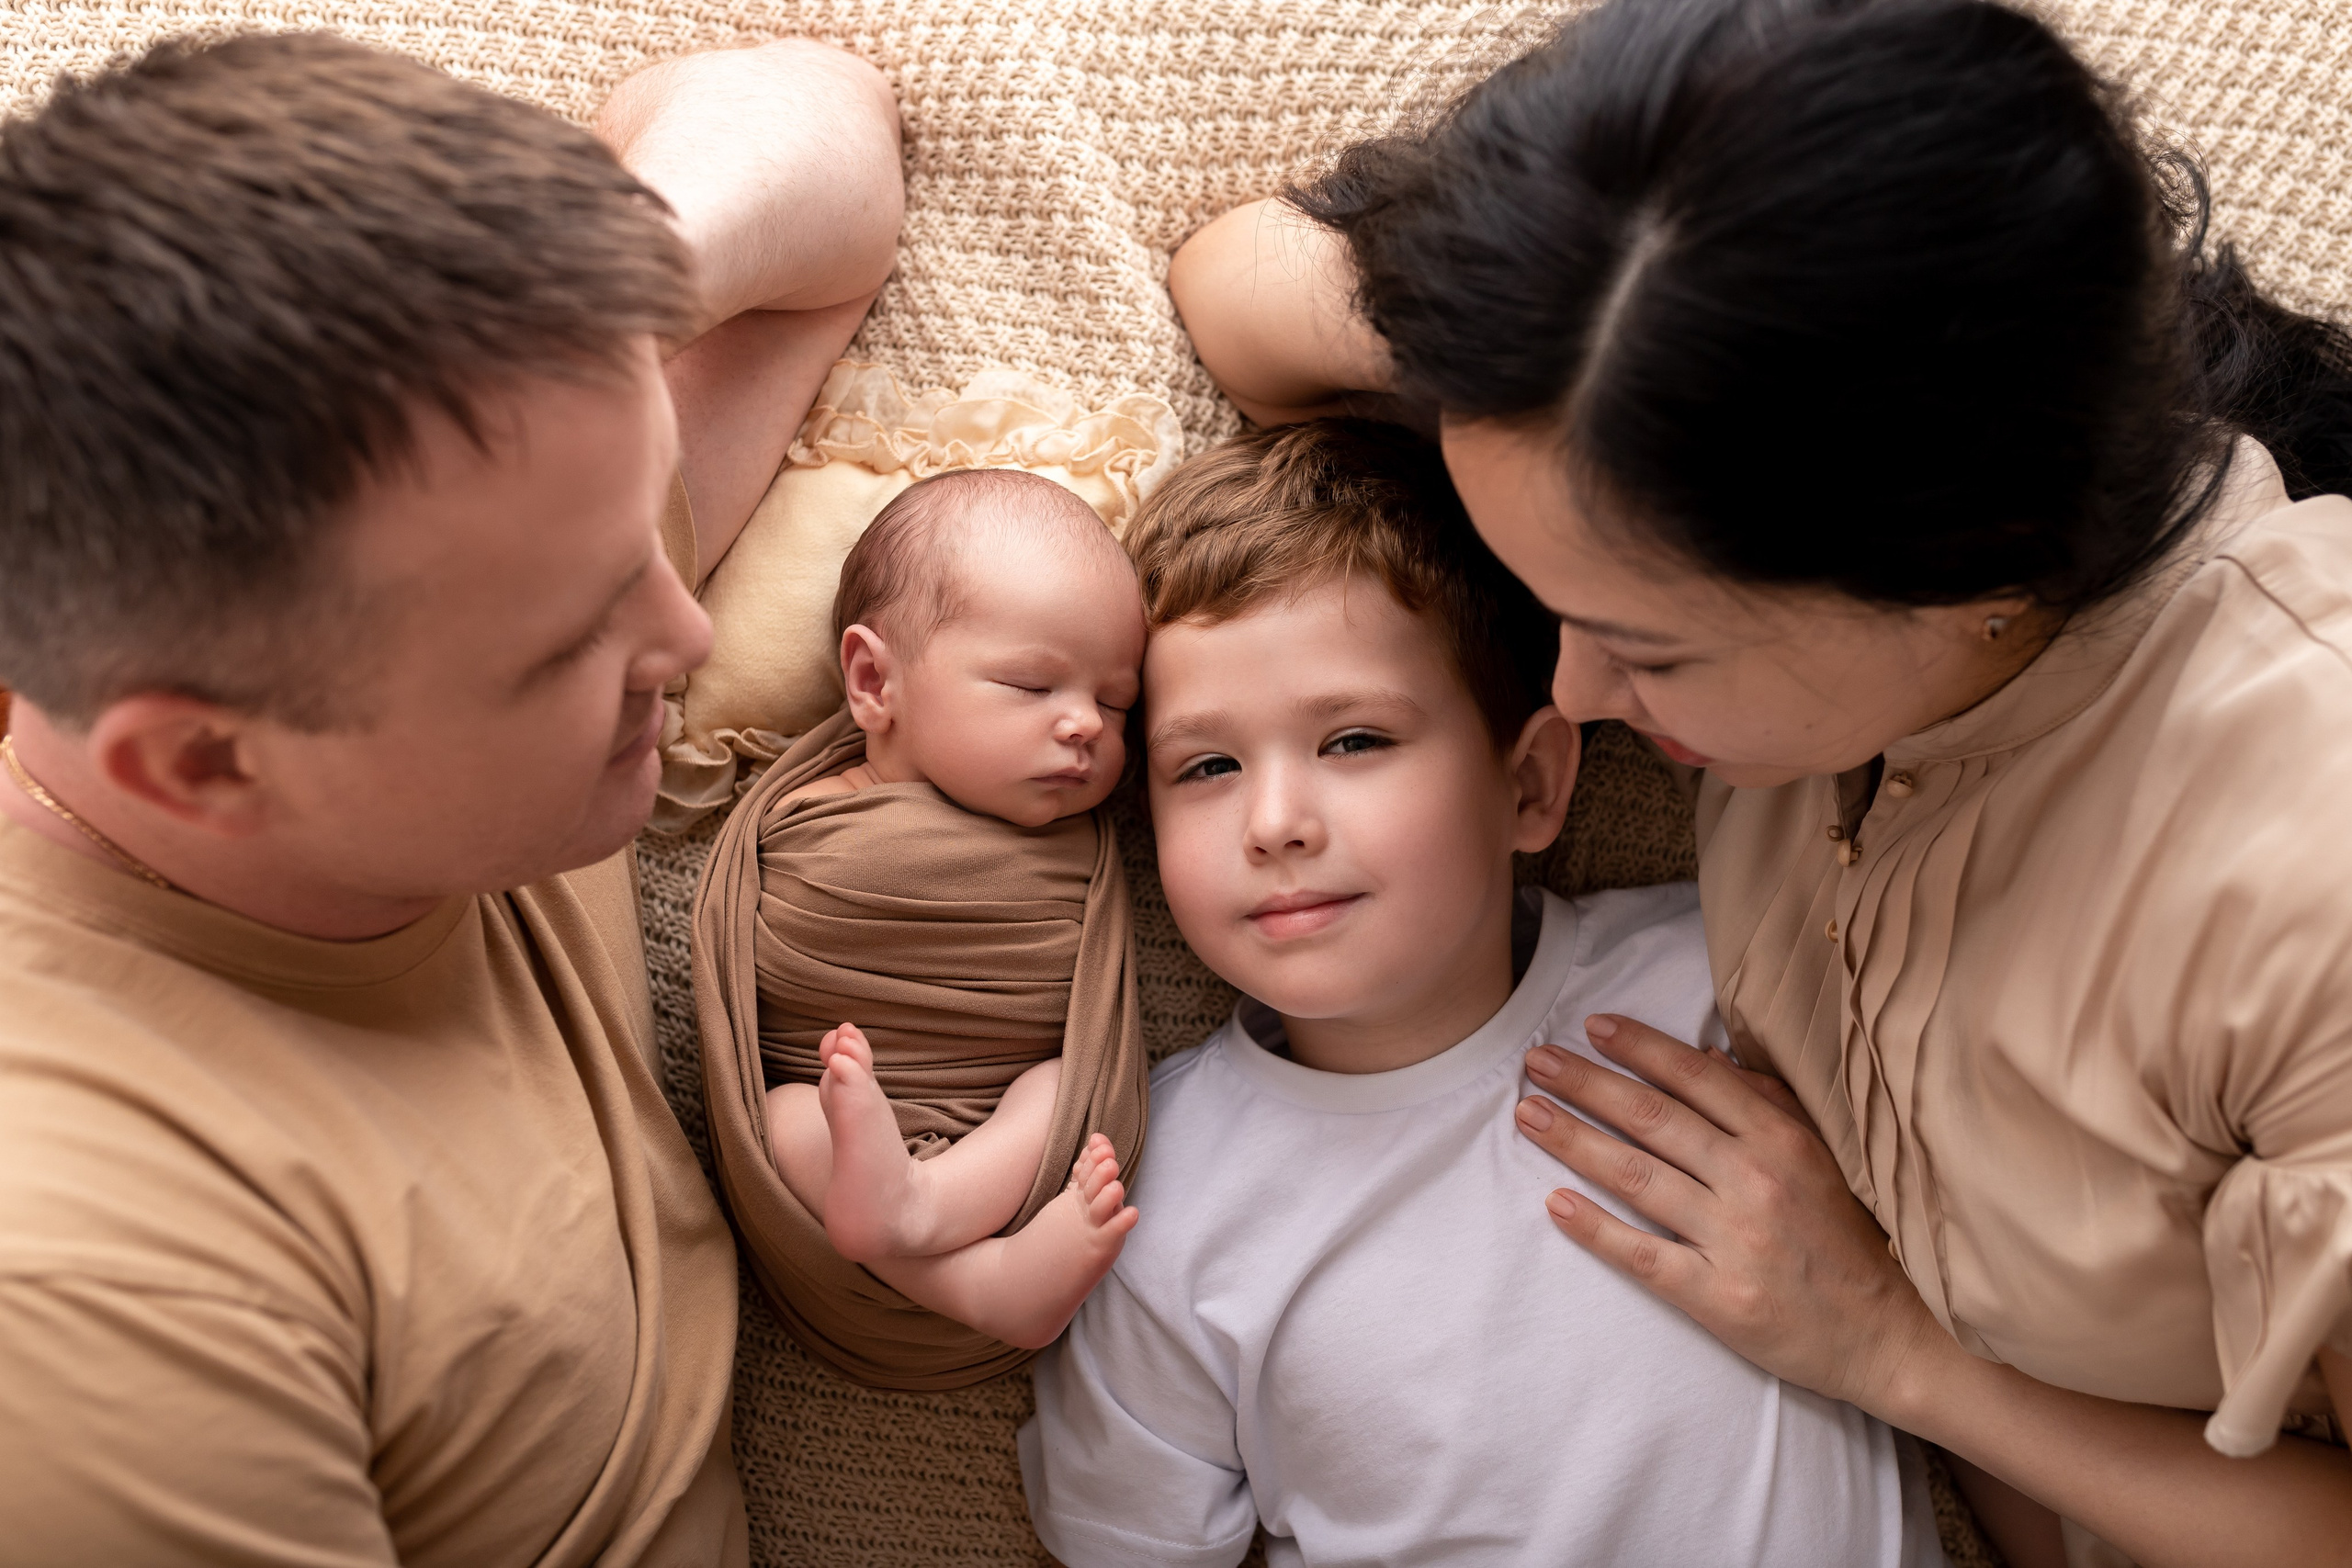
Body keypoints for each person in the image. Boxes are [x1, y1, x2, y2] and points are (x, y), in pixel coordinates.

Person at [1164, 2, 2352, 1565]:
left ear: (1970, 563)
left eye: (1650, 648)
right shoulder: (1659, 408)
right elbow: (1238, 289)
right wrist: (1580, 342)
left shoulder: (2305, 880)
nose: (1574, 695)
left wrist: (1891, 1351)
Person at [0, 29, 901, 1564]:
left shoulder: (478, 553)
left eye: (648, 541)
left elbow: (829, 126)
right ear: (206, 762)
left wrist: (582, 313)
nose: (683, 635)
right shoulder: (99, 1308)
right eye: (575, 637)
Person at [1019, 420, 1944, 1568]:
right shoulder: (1146, 1194)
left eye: (1354, 740)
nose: (1274, 824)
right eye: (1206, 766)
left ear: (1532, 784)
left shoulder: (1728, 978)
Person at [757, 468, 1145, 1350]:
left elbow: (1090, 1007)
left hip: (997, 1135)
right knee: (783, 1119)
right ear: (874, 681)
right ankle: (982, 1283)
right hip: (843, 1121)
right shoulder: (809, 813)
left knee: (1066, 1087)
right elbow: (773, 949)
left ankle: (925, 1205)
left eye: (1115, 700)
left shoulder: (1075, 846)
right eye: (1032, 685)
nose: (1087, 723)